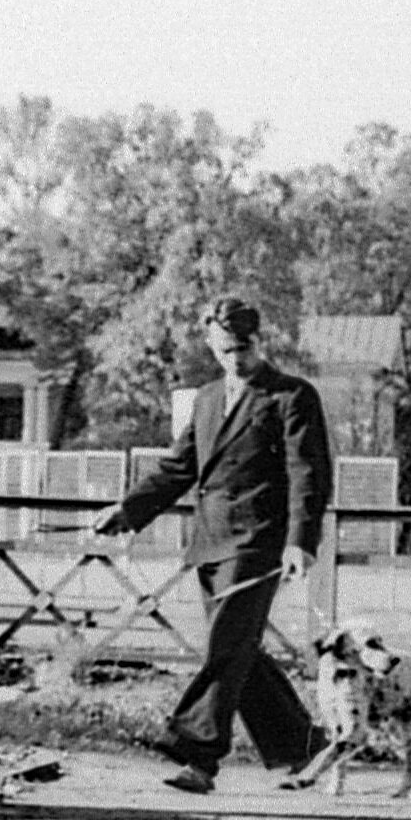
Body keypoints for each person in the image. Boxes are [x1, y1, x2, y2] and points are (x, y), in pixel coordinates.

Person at [91, 296, 334, 793]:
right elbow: (179, 467)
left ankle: (197, 755)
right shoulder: (205, 399)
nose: (235, 359)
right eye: (224, 350)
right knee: (239, 650)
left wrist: (299, 542)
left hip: (259, 543)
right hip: (210, 544)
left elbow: (308, 475)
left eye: (243, 348)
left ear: (259, 341)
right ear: (210, 345)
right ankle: (304, 744)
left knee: (226, 647)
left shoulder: (291, 396)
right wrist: (129, 510)